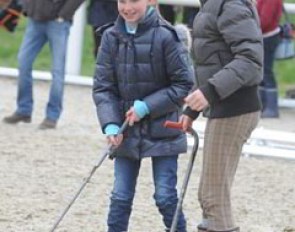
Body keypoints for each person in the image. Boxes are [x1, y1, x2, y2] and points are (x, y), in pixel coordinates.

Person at [92, 0, 194, 231]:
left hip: (164, 129)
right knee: (120, 196)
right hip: (125, 129)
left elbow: (183, 84)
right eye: (122, 1)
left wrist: (146, 106)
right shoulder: (110, 37)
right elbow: (103, 87)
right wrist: (109, 124)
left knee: (165, 196)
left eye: (134, 1)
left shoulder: (167, 37)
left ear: (151, 2)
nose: (127, 7)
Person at [180, 0, 263, 231]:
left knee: (213, 198)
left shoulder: (230, 5)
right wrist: (192, 108)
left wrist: (211, 91)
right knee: (210, 194)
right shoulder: (211, 4)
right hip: (224, 104)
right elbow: (211, 62)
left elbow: (250, 59)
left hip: (235, 107)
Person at [2, 0, 84, 129]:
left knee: (57, 70)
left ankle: (52, 116)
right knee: (23, 62)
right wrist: (27, 8)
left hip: (58, 23)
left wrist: (63, 15)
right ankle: (24, 110)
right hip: (35, 20)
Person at [257, 0, 283, 118]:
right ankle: (262, 105)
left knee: (266, 72)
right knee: (262, 72)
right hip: (264, 36)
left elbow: (264, 21)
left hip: (267, 37)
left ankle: (271, 107)